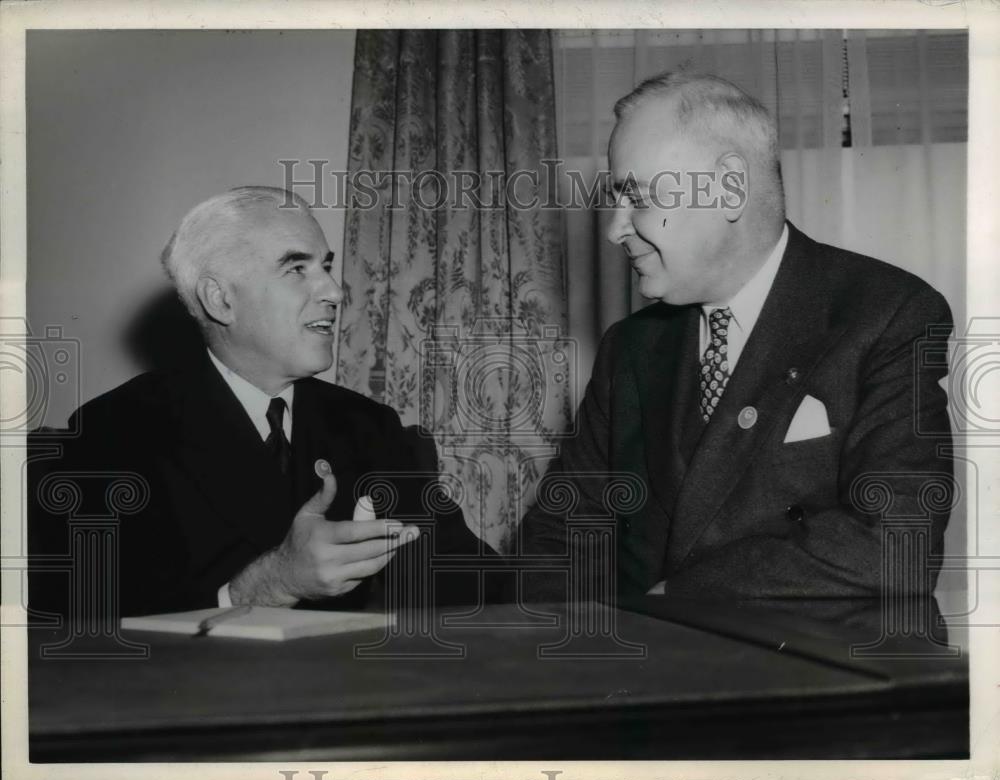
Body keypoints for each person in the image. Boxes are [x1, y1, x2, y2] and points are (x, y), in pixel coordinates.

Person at [519, 73, 954, 601]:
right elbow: (562, 534)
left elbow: (897, 544)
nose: (615, 229)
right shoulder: (628, 349)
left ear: (728, 188)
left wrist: (680, 595)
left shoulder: (887, 313)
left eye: (636, 197)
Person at [30, 187, 494, 617]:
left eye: (326, 266)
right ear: (220, 299)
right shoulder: (116, 431)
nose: (334, 291)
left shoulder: (369, 425)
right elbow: (86, 620)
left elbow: (464, 577)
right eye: (297, 269)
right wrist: (269, 584)